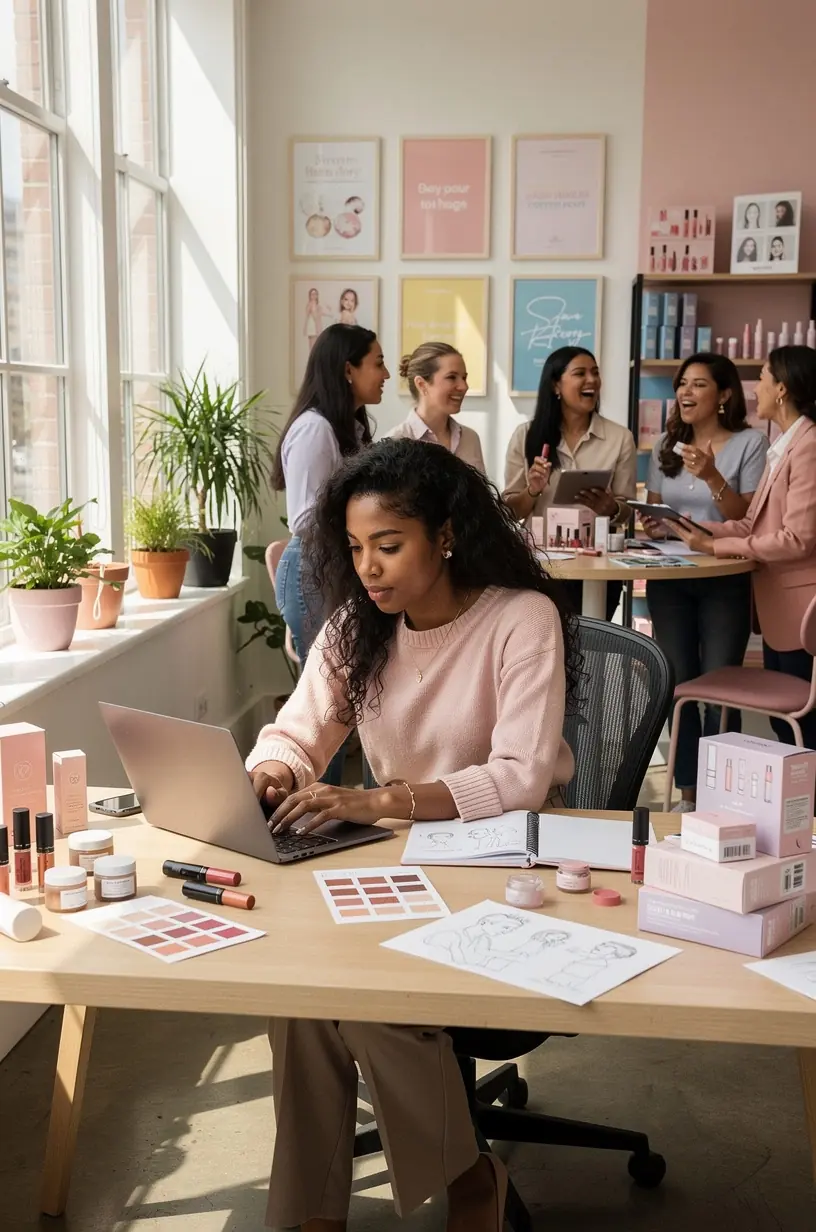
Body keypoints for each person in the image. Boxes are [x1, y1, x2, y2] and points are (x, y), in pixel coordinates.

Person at [248, 437, 579, 1231]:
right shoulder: (356, 630)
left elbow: (520, 777)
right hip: (400, 866)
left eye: (389, 547)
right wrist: (274, 772)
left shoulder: (521, 619)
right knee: (299, 996)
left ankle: (469, 1181)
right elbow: (295, 732)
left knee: (363, 999)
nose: (369, 568)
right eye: (357, 549)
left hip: (507, 870)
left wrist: (380, 800)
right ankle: (312, 1214)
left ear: (446, 535)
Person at [671, 346, 816, 747]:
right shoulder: (783, 444)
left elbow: (797, 539)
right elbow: (753, 523)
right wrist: (698, 529)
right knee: (785, 725)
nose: (756, 388)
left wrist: (715, 547)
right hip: (778, 612)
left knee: (802, 726)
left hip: (799, 615)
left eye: (765, 377)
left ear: (783, 389)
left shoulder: (807, 446)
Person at [641, 354, 768, 809]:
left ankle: (723, 798)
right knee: (679, 686)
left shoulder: (749, 443)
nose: (685, 393)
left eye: (698, 384)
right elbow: (654, 509)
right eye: (682, 384)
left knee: (719, 691)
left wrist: (712, 475)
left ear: (724, 394)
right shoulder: (664, 446)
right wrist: (654, 525)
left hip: (724, 578)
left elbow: (747, 518)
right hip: (670, 578)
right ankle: (690, 794)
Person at [271, 324, 388, 784]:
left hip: (335, 567)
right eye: (377, 363)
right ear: (348, 369)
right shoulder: (315, 429)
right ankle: (319, 808)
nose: (384, 374)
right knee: (327, 702)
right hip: (313, 570)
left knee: (348, 691)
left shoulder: (350, 427)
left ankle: (334, 806)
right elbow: (304, 518)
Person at [503, 345, 637, 619]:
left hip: (597, 569)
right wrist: (532, 490)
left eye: (595, 373)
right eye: (580, 373)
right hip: (541, 567)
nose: (592, 380)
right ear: (556, 385)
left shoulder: (619, 438)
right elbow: (510, 510)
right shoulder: (526, 436)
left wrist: (610, 508)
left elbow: (627, 509)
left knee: (591, 651)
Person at [389, 341, 486, 473]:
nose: (464, 386)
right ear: (421, 384)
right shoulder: (396, 442)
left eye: (464, 378)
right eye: (452, 377)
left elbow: (481, 493)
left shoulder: (470, 438)